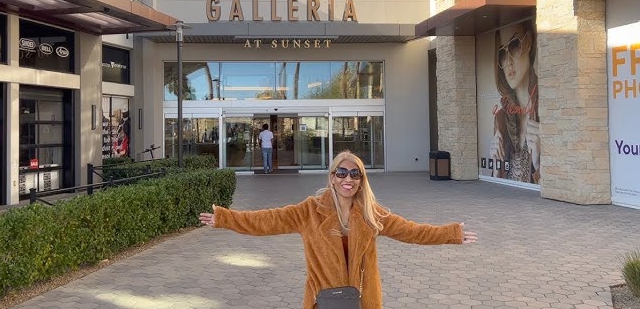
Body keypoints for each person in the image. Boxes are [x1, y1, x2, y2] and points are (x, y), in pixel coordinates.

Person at [198, 151, 478, 309]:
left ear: (361, 180)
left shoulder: (372, 214)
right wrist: (226, 218)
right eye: (342, 173)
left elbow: (413, 231)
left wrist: (450, 233)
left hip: (363, 301)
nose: (348, 179)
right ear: (332, 177)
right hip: (324, 302)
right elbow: (267, 221)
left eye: (355, 174)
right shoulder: (309, 211)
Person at [490, 20, 540, 183]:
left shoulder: (546, 107)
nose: (508, 61)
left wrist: (539, 163)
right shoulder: (501, 118)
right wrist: (496, 167)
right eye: (502, 54)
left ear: (530, 41)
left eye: (514, 45)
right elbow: (499, 178)